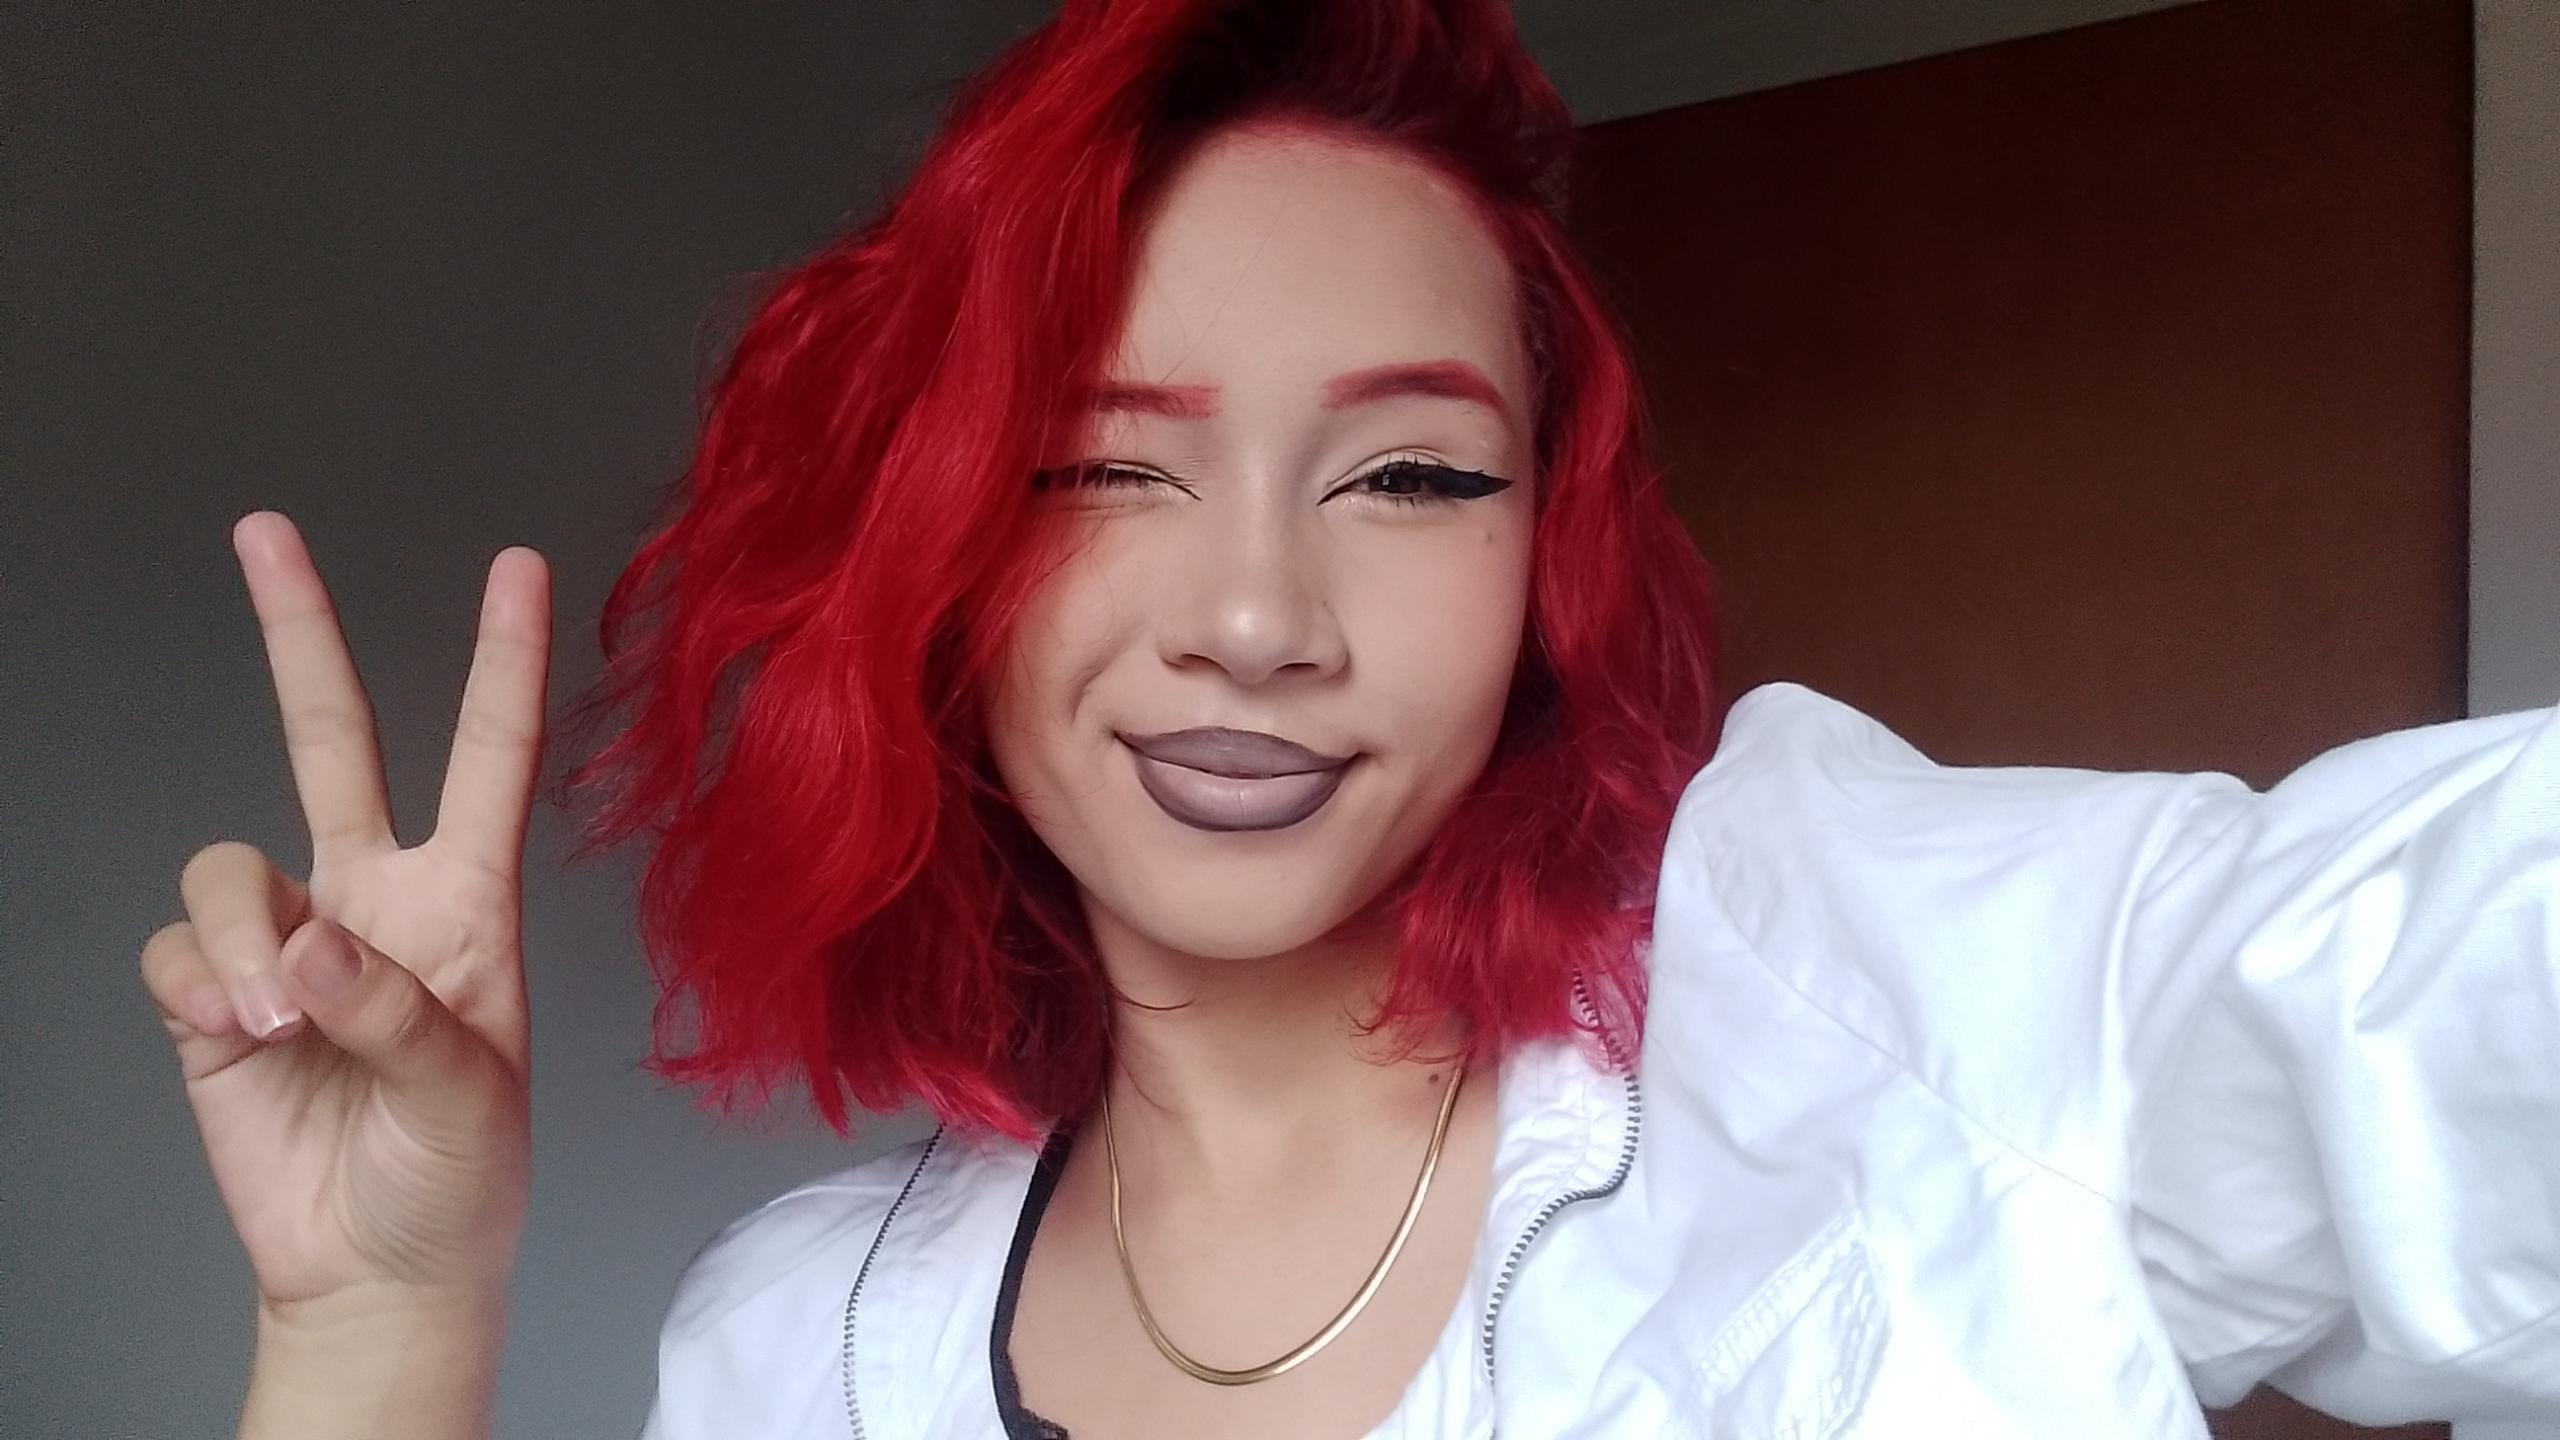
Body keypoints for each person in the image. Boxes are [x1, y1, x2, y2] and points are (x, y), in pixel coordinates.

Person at [143, 1, 2560, 1437]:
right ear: (933, 558)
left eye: (1409, 474)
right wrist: (374, 1331)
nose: (1255, 618)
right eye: (1103, 467)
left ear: (1545, 562)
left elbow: (2426, 986)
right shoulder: (789, 1350)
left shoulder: (1874, 1006)